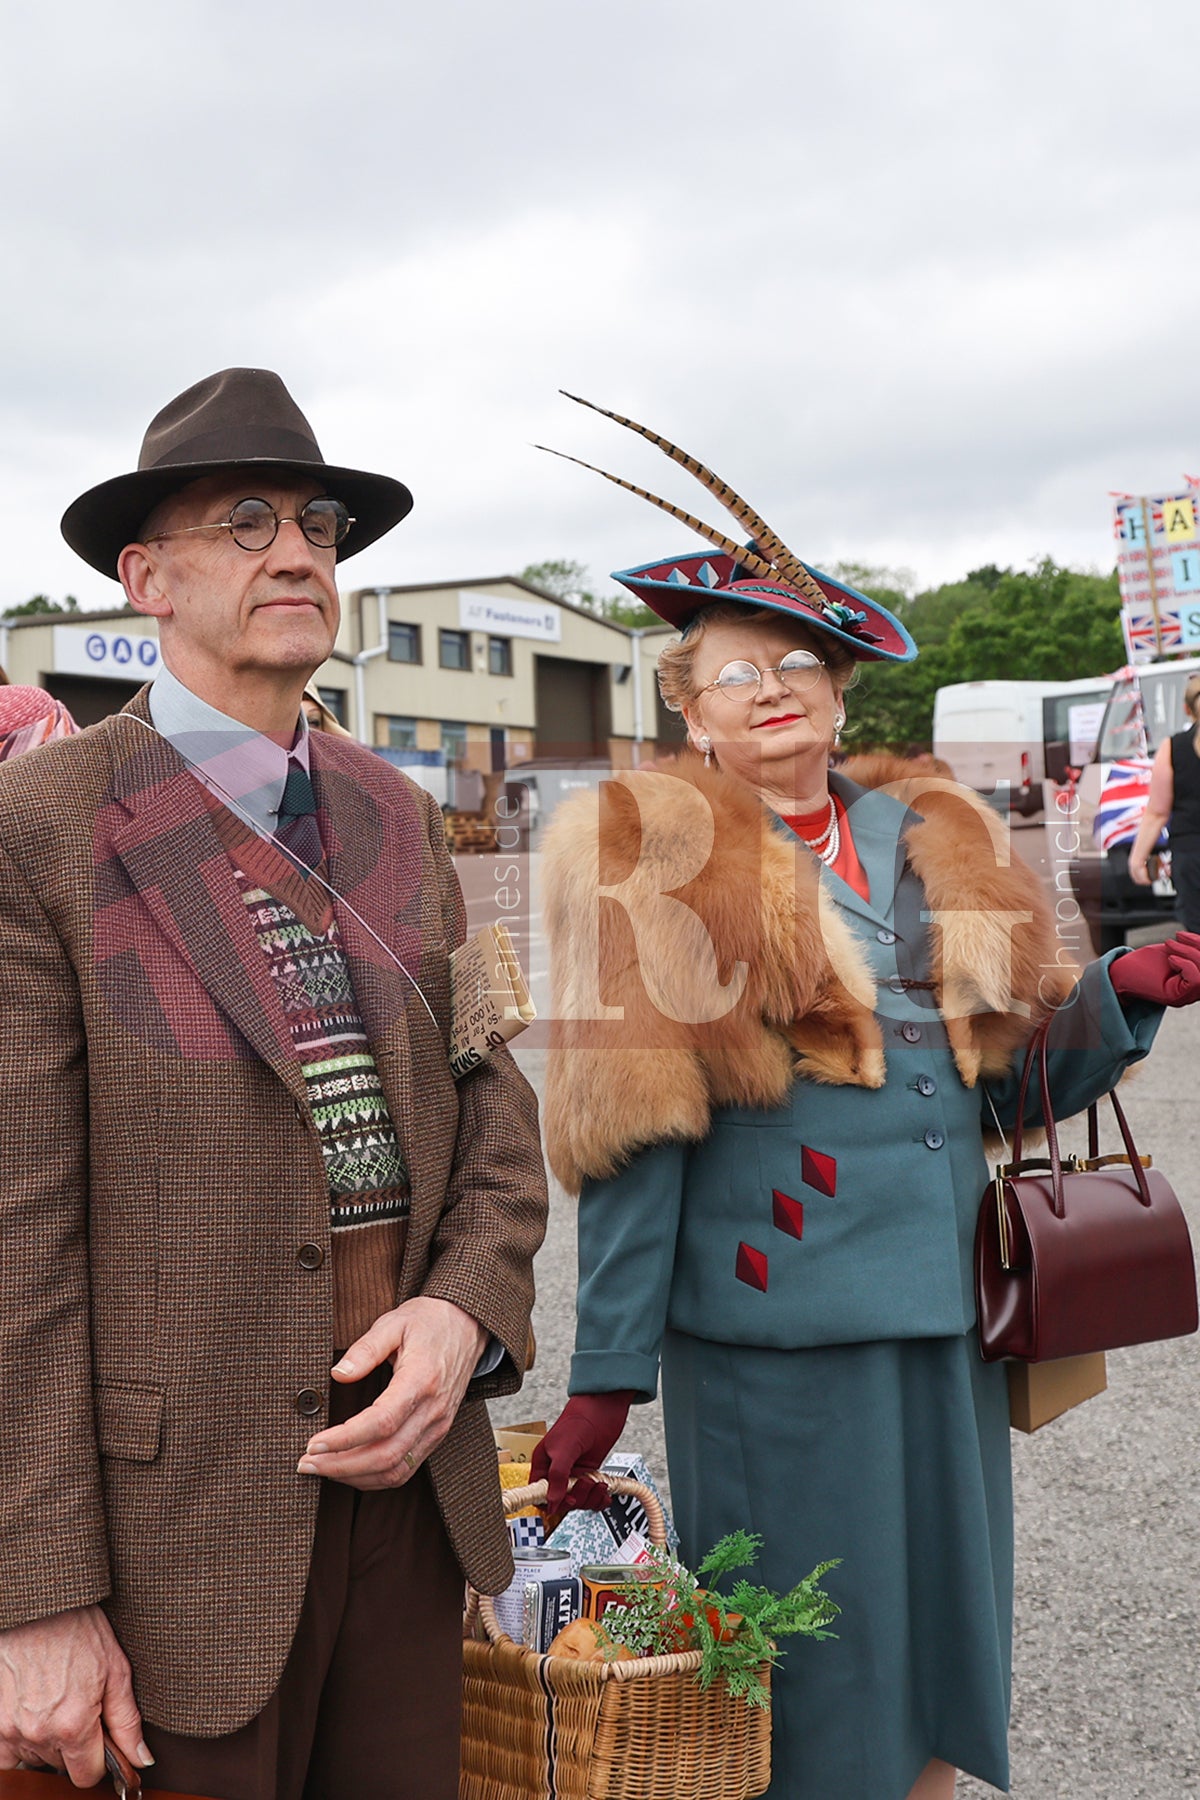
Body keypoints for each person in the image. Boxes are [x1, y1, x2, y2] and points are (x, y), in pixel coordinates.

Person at [531, 401, 1200, 1800]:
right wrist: (604, 1376)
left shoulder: (938, 831)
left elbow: (1008, 1087)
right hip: (773, 1330)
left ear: (843, 695)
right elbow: (633, 1143)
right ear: (687, 709)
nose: (770, 689)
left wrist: (1120, 996)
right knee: (805, 1663)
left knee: (940, 1648)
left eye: (798, 663)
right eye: (731, 674)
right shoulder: (646, 851)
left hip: (951, 1314)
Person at [0, 368, 548, 1799]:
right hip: (171, 1541)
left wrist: (462, 1318)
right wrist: (36, 1594)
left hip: (409, 1494)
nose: (298, 551)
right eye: (244, 521)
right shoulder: (39, 827)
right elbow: (17, 1232)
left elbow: (496, 1101)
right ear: (145, 580)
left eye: (315, 523)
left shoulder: (402, 813)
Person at [1128, 671, 1200, 930]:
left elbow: (1157, 812)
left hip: (1191, 859)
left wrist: (1138, 859)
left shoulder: (1172, 748)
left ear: (1186, 709)